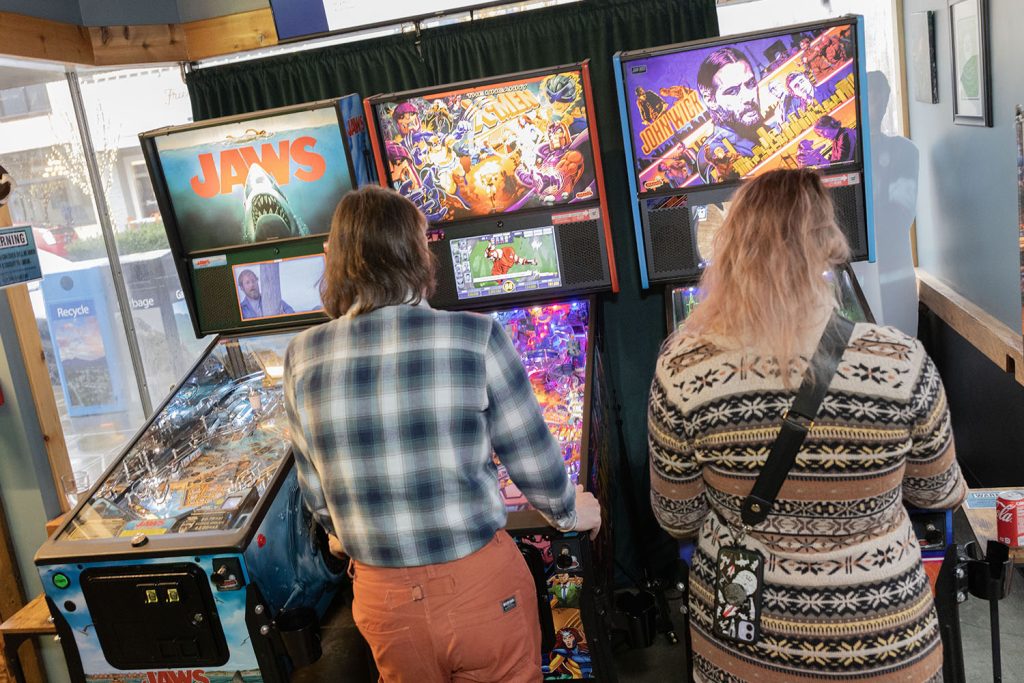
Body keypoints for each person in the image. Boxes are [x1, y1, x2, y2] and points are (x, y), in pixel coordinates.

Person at [648, 169, 965, 682]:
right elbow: (939, 492)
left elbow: (676, 515)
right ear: (828, 245)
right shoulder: (901, 362)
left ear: (728, 248)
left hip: (744, 648)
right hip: (884, 645)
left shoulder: (682, 367)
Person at [283, 186, 601, 683]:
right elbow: (532, 458)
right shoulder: (476, 335)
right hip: (478, 587)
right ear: (418, 253)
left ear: (336, 259)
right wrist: (569, 510)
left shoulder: (302, 356)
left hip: (384, 601)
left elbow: (316, 493)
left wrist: (344, 533)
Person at [694, 47, 775, 182]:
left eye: (750, 84)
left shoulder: (773, 129)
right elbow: (719, 180)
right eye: (732, 91)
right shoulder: (712, 150)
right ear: (711, 101)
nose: (748, 97)